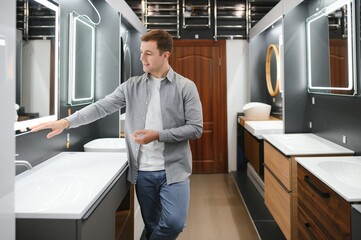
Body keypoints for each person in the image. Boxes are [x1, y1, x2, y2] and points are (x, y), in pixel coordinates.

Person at [32, 29, 203, 240]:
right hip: (143, 172)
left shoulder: (186, 87)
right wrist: (66, 122)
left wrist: (158, 135)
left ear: (165, 55)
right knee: (151, 226)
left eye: (148, 53)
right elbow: (100, 107)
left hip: (175, 170)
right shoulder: (131, 86)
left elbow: (196, 128)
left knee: (173, 224)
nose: (142, 58)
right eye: (141, 52)